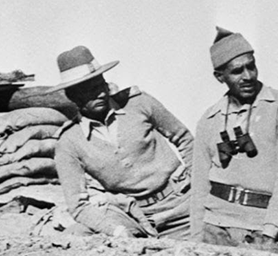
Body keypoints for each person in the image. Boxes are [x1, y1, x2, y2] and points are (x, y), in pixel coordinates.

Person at [49, 46, 192, 239]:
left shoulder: (138, 104)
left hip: (180, 205)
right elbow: (78, 205)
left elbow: (185, 139)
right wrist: (117, 231)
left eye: (100, 86)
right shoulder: (69, 142)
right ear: (71, 96)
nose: (99, 94)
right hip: (131, 216)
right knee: (79, 234)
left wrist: (197, 185)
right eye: (88, 90)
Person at [190, 27, 278, 253]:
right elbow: (199, 185)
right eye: (237, 71)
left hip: (263, 230)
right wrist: (196, 239)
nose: (248, 76)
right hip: (215, 229)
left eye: (251, 66)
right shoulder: (209, 119)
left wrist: (270, 232)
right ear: (219, 76)